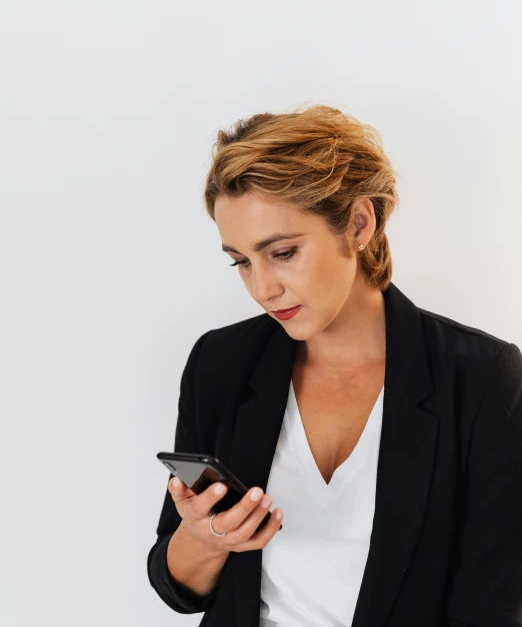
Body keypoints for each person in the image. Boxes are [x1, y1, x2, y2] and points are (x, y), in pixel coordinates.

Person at [147, 103, 522, 627]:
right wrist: (205, 538)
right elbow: (179, 588)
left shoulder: (481, 379)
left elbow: (493, 605)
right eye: (240, 262)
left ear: (359, 223)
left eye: (281, 252)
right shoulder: (222, 363)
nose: (261, 289)